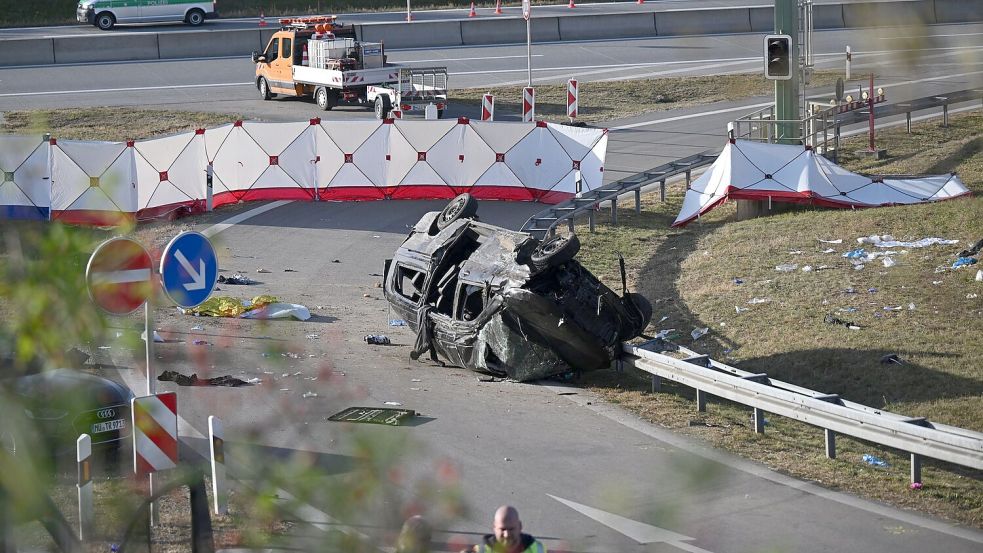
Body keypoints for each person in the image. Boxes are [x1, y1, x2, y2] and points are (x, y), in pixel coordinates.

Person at [464, 505, 546, 553]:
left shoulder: (538, 550)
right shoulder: (482, 551)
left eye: (511, 529)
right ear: (494, 527)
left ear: (520, 526)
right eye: (502, 529)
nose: (506, 535)